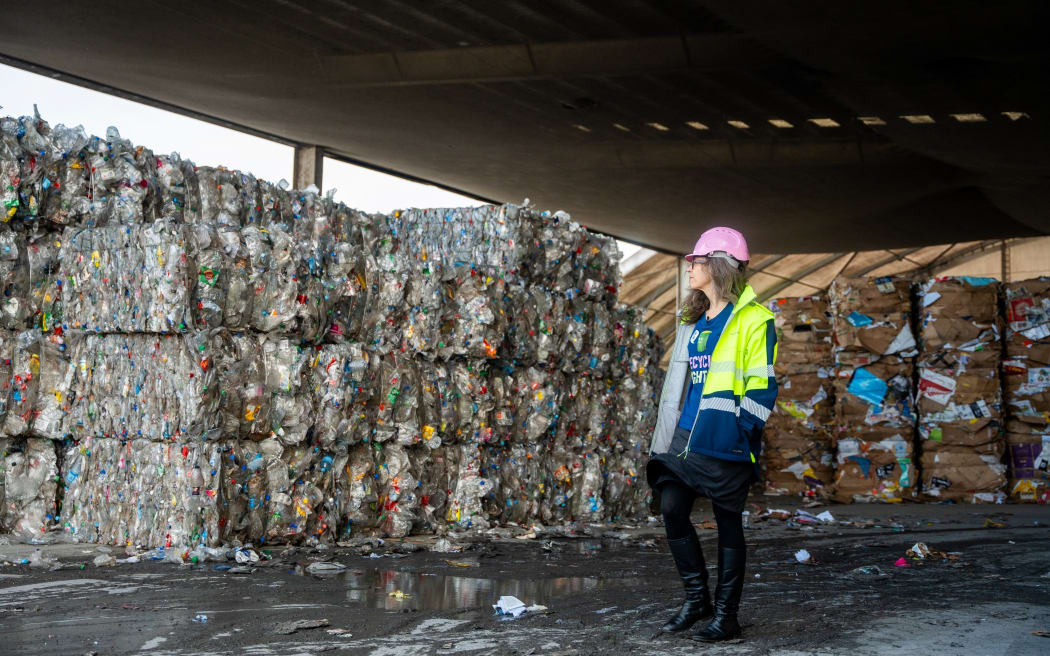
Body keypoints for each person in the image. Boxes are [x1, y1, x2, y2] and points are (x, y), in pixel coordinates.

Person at [646, 226, 778, 642]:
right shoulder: (692, 321)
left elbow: (762, 386)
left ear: (718, 265)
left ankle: (727, 616)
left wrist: (743, 432)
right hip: (687, 435)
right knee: (671, 508)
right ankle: (697, 599)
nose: (690, 267)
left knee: (727, 523)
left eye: (696, 261)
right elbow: (683, 385)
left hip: (727, 438)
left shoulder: (755, 321)